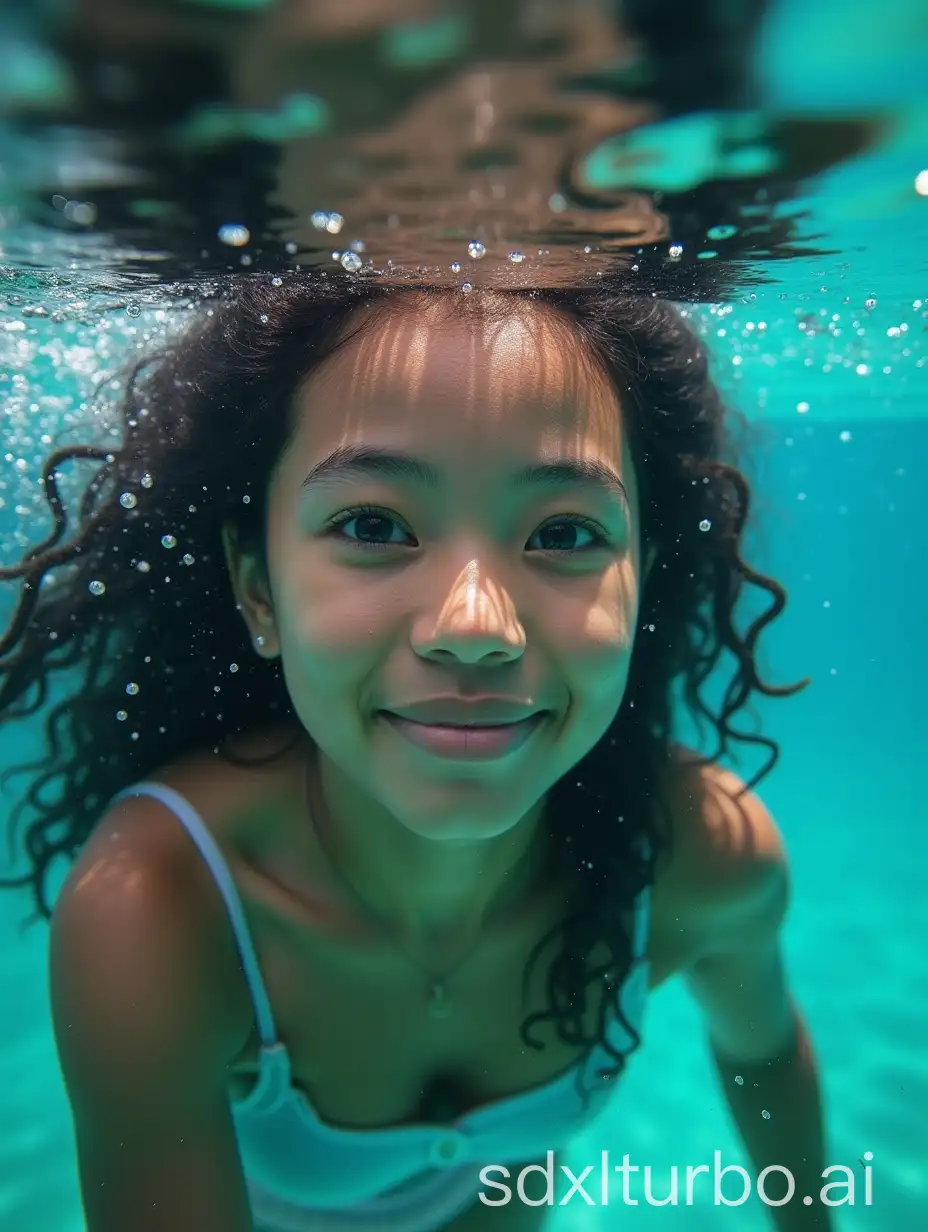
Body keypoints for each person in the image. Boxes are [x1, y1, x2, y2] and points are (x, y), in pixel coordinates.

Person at [0, 273, 830, 1231]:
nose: (473, 628)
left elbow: (764, 1052)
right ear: (257, 587)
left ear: (643, 577)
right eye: (372, 524)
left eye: (564, 532)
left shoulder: (702, 857)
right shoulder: (164, 909)